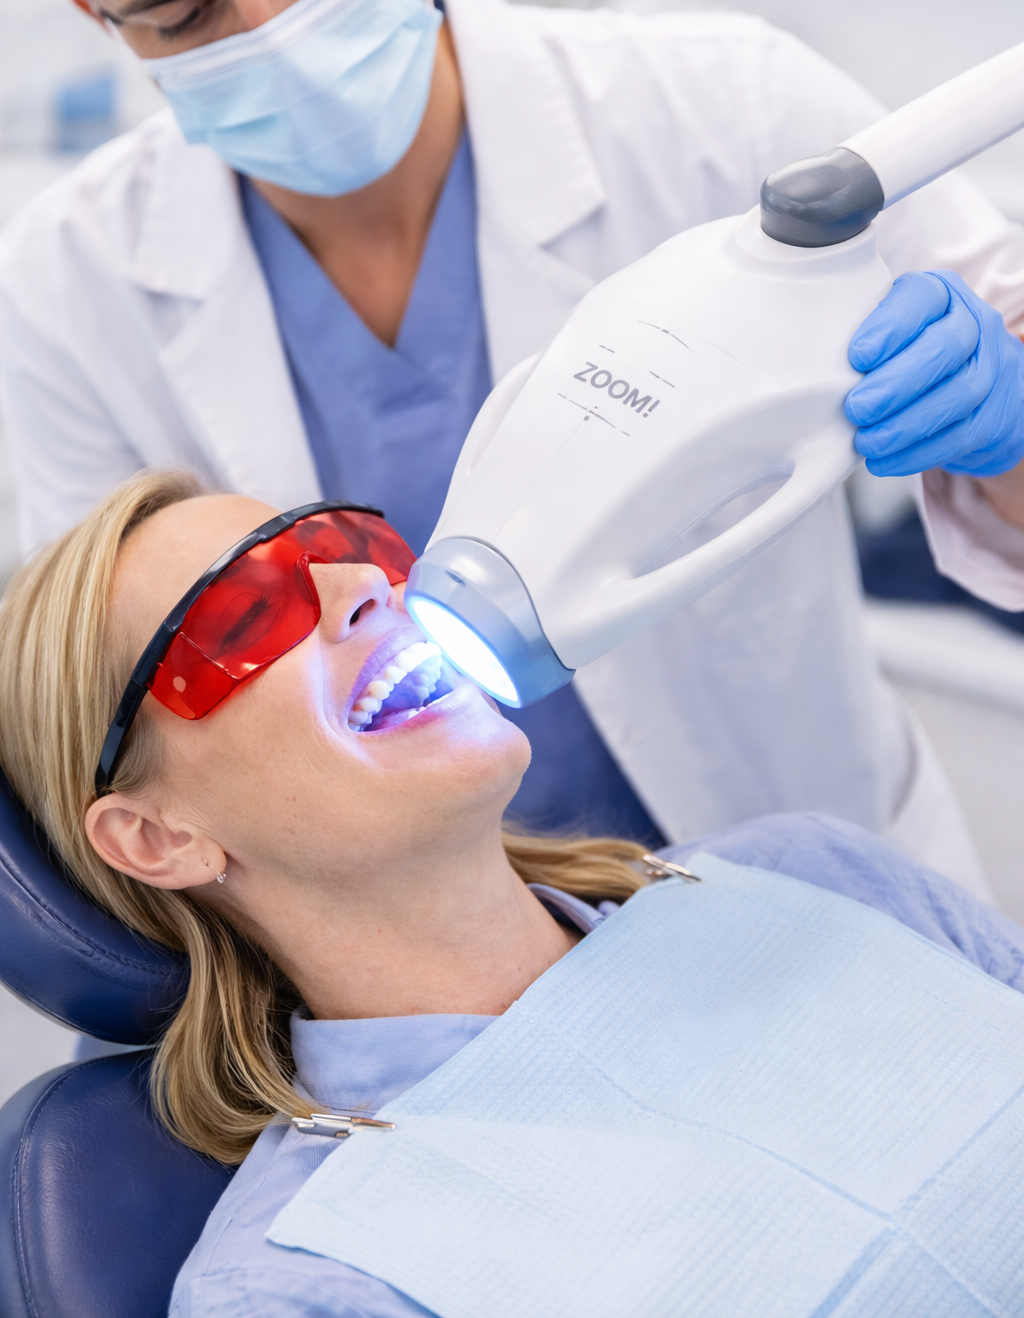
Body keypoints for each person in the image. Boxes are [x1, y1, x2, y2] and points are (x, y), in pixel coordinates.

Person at [1, 0, 1024, 873]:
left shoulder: (730, 109)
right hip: (401, 941)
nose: (274, 35)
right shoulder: (68, 285)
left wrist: (1001, 429)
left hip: (818, 890)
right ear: (96, 13)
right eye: (182, 16)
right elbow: (110, 715)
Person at [2, 471, 1024, 1317]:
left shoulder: (812, 873)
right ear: (159, 838)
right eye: (245, 611)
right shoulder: (304, 1288)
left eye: (344, 544)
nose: (366, 586)